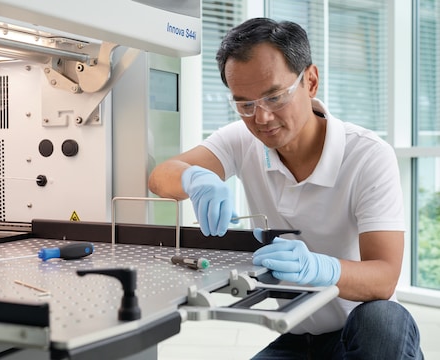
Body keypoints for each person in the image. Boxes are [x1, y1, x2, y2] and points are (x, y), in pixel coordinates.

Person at [148, 17, 423, 359]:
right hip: (296, 338)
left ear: (310, 81)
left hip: (361, 332)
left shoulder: (367, 155)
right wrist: (195, 178)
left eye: (274, 97)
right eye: (245, 104)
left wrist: (322, 268)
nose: (261, 118)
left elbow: (384, 278)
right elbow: (161, 176)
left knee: (384, 319)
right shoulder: (241, 139)